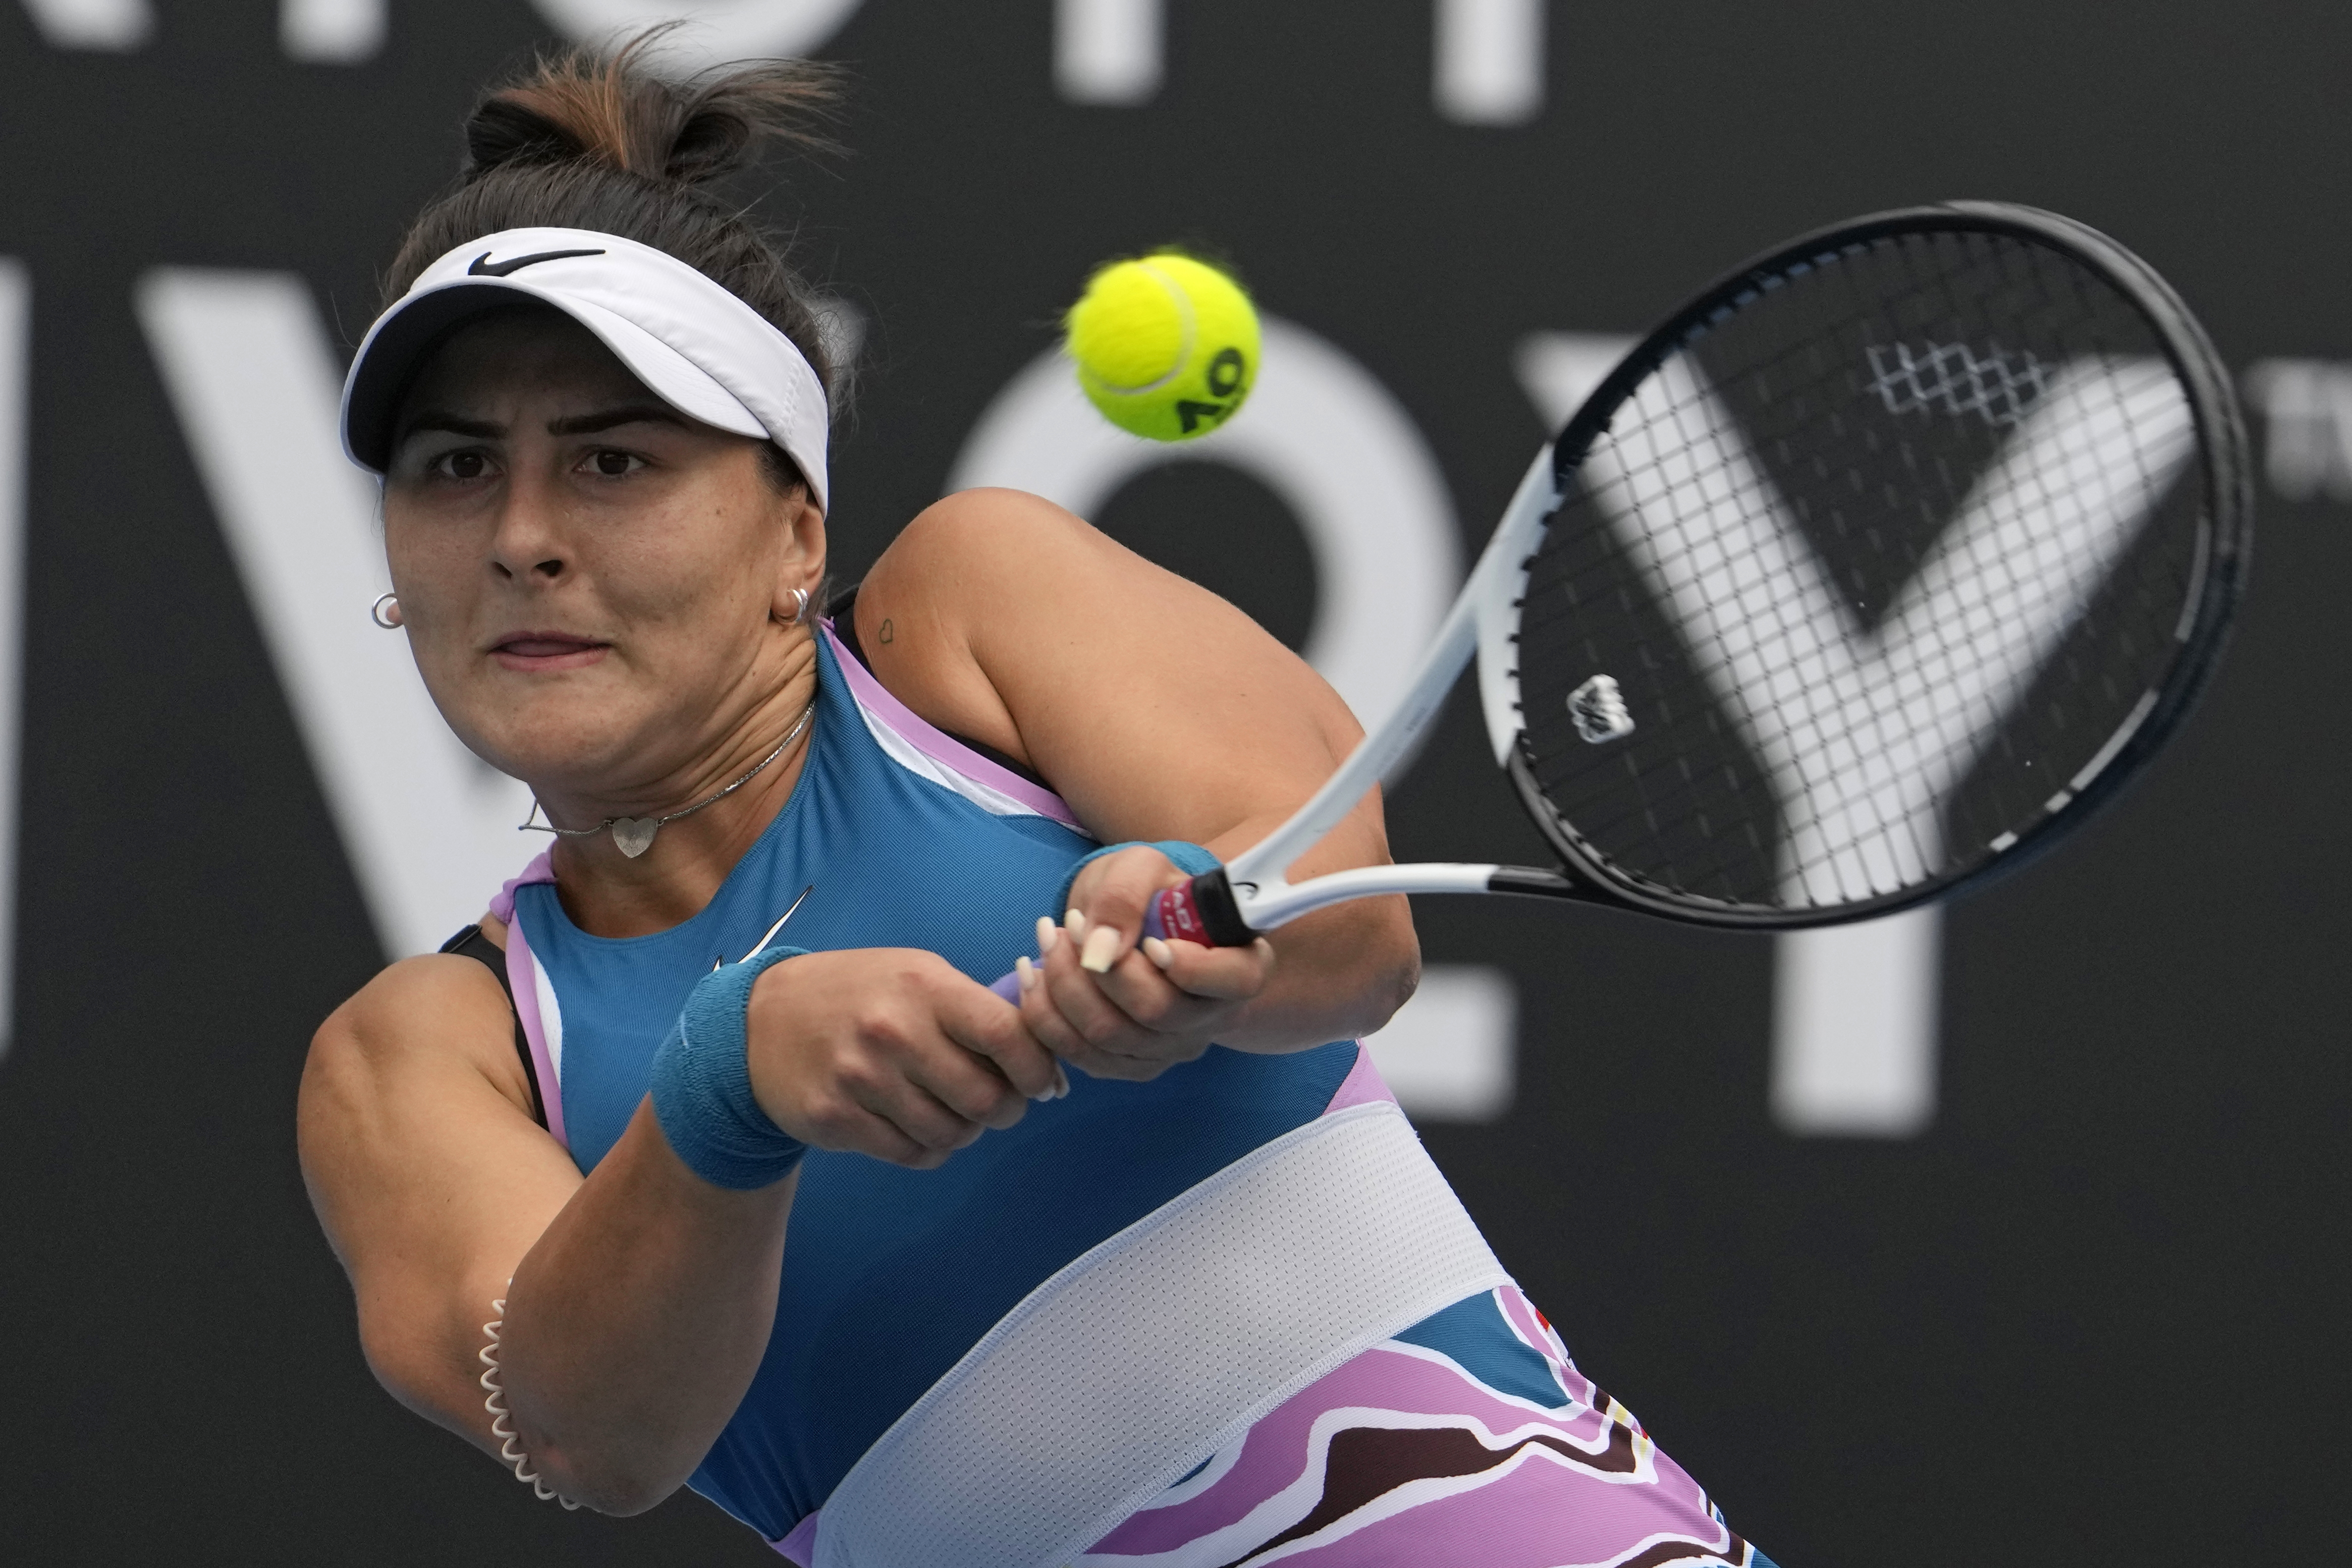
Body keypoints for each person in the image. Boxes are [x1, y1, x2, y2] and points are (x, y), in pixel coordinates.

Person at [298, 36, 1777, 1568]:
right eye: (456, 466)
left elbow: (1357, 936)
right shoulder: (419, 1058)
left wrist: (1199, 945)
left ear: (793, 531)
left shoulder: (969, 607)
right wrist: (723, 1086)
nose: (524, 535)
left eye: (613, 460)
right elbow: (585, 1435)